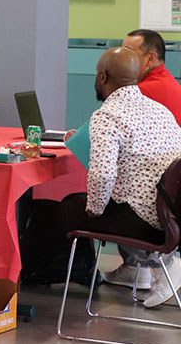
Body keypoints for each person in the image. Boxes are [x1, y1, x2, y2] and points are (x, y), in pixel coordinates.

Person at [44, 47, 181, 307]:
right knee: (93, 202)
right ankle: (137, 272)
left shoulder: (107, 116)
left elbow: (103, 174)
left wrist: (94, 209)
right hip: (168, 215)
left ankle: (32, 278)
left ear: (103, 77)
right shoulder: (160, 111)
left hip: (143, 220)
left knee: (64, 209)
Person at [100, 29, 181, 290]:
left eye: (130, 52)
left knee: (111, 189)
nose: (122, 57)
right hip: (169, 197)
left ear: (151, 58)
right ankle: (138, 268)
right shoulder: (170, 85)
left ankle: (142, 266)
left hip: (150, 198)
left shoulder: (142, 94)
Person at [123, 29, 181, 124]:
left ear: (151, 58)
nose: (122, 58)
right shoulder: (166, 80)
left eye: (128, 53)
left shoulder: (143, 91)